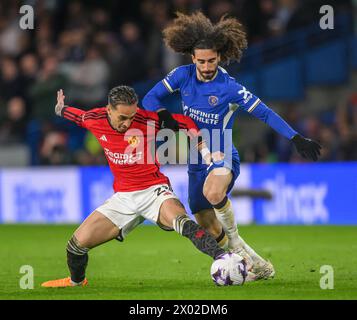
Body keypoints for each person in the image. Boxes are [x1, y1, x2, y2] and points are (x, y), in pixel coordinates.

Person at [142, 11, 321, 279]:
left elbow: (265, 112)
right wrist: (166, 117)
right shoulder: (182, 75)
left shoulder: (230, 87)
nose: (205, 66)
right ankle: (255, 265)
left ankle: (237, 245)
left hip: (222, 151)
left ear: (219, 57)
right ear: (192, 58)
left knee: (214, 193)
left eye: (211, 60)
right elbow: (149, 99)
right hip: (195, 157)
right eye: (201, 61)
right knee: (207, 225)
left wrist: (295, 137)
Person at [41, 86, 242, 288]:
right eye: (122, 118)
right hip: (123, 198)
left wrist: (206, 154)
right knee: (75, 247)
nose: (128, 123)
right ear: (108, 110)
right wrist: (61, 109)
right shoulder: (95, 119)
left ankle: (225, 259)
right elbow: (79, 116)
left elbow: (186, 123)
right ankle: (77, 282)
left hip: (154, 190)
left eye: (132, 116)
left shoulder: (147, 120)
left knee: (182, 222)